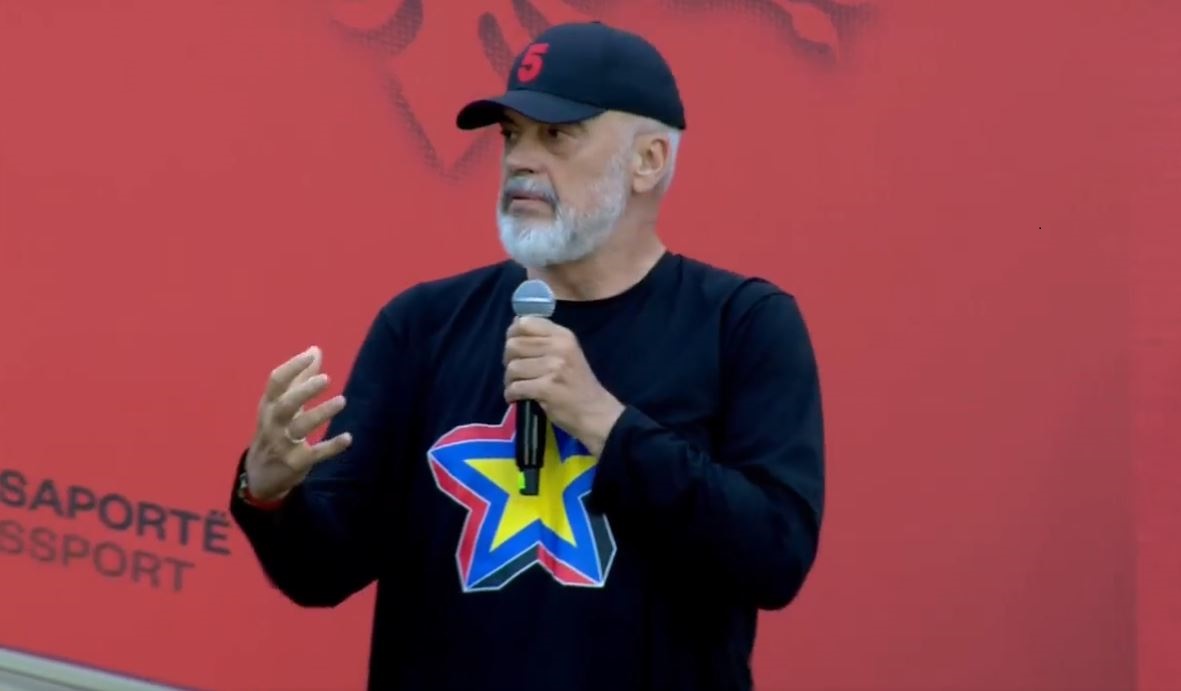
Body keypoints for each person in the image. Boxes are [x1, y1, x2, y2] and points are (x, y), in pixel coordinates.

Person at [228, 20, 825, 691]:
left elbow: (775, 556)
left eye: (557, 135)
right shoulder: (422, 325)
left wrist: (605, 422)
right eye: (512, 135)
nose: (519, 160)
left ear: (649, 160)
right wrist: (269, 493)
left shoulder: (743, 325)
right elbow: (322, 571)